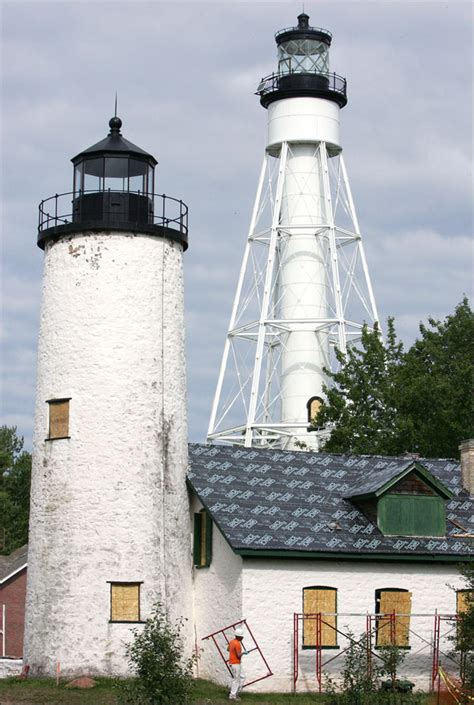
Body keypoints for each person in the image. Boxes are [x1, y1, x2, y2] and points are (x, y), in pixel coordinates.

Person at [227, 626, 246, 701]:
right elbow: (238, 655)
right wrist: (244, 653)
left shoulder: (232, 641)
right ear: (240, 637)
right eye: (242, 636)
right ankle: (232, 695)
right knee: (236, 679)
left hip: (233, 662)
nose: (243, 638)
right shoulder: (237, 644)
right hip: (235, 663)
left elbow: (228, 649)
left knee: (242, 677)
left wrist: (233, 651)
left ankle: (236, 692)